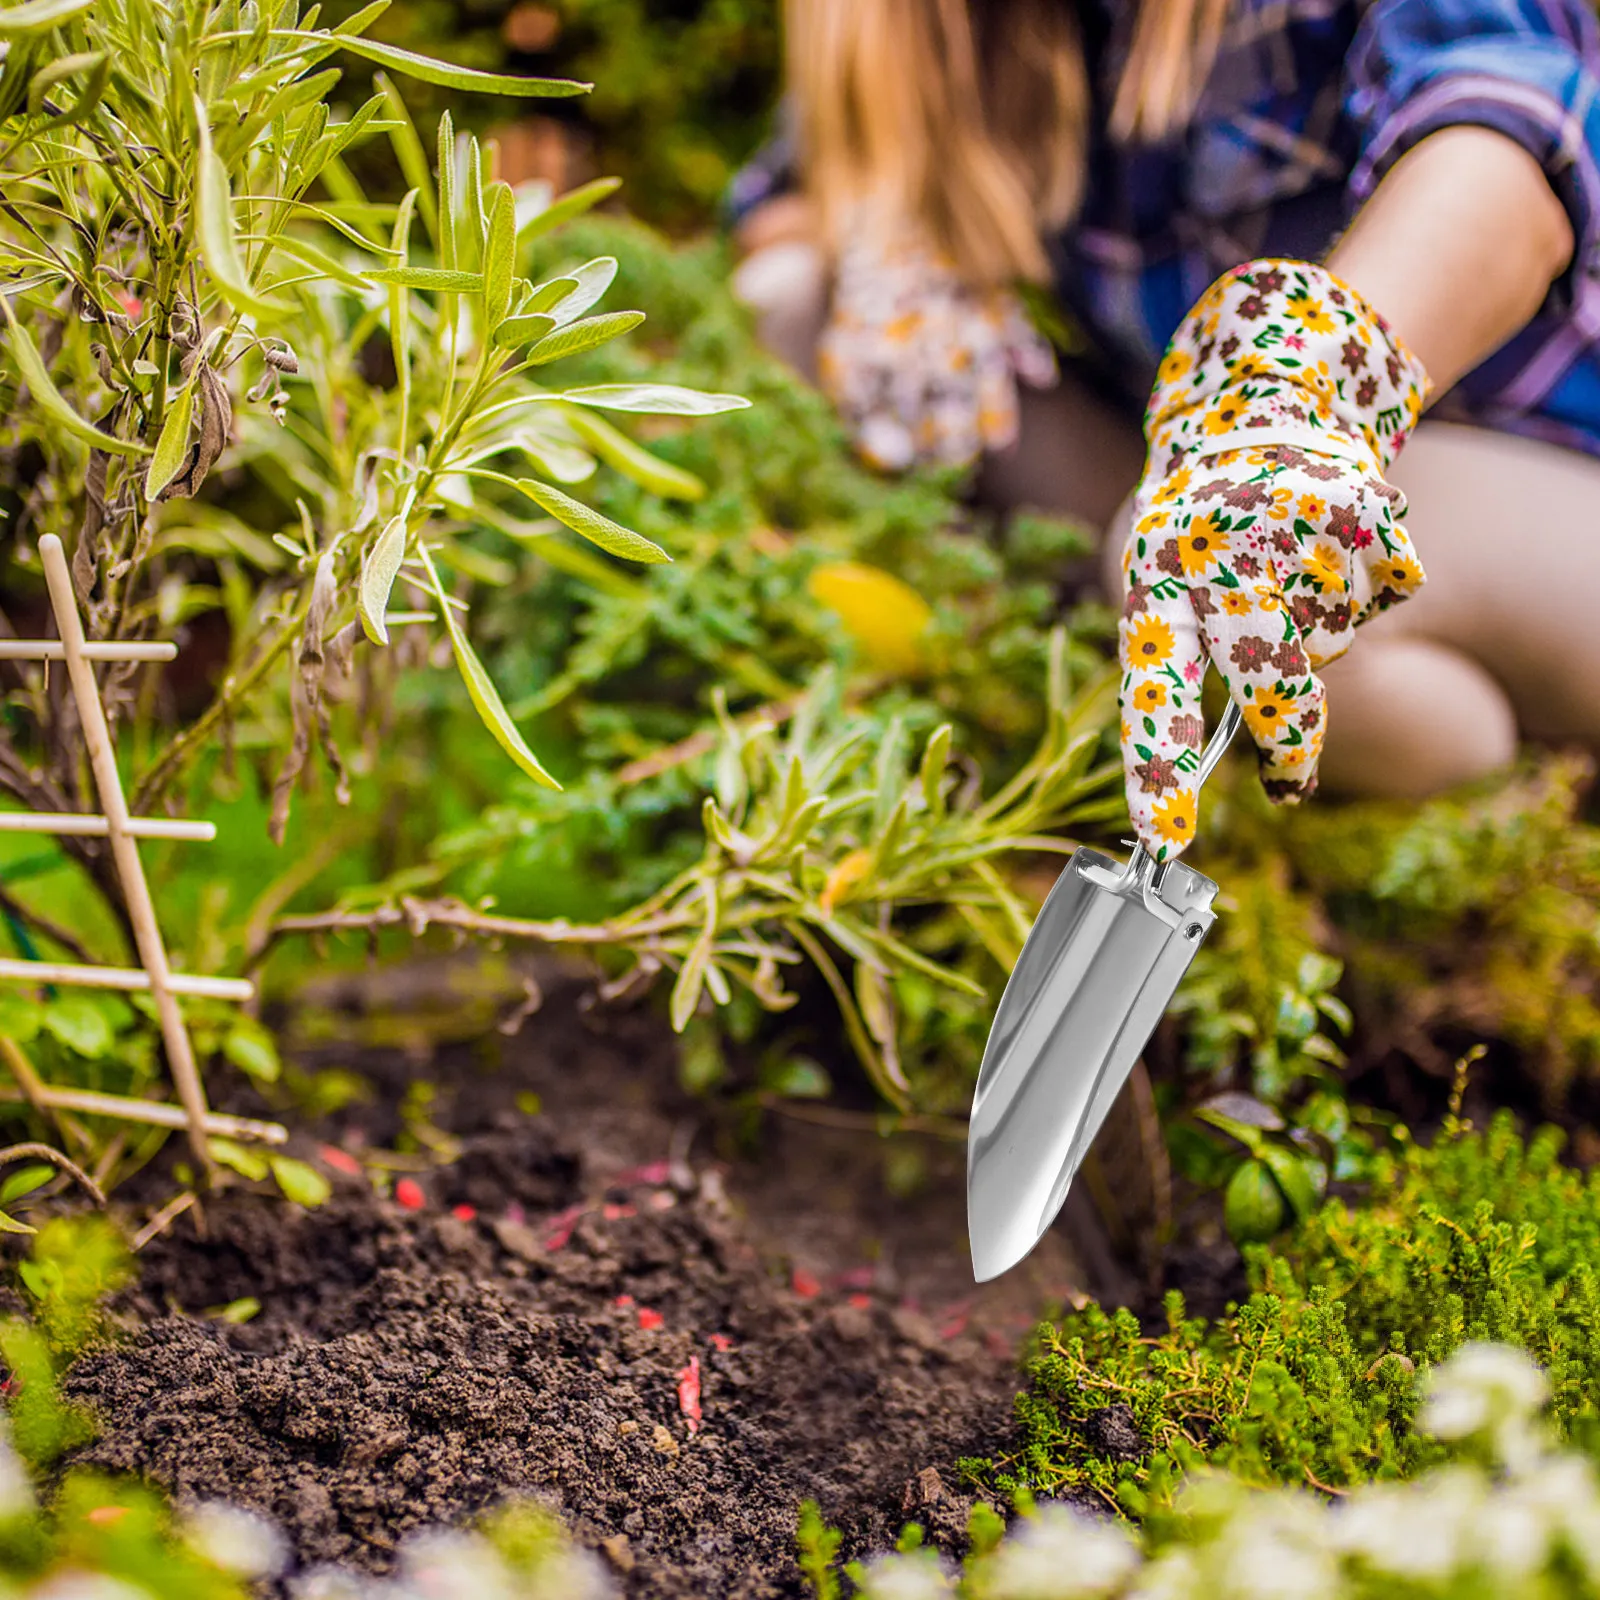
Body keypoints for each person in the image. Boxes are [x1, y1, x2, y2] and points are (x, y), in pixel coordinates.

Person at [726, 0, 1600, 862]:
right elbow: (790, 199)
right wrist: (891, 250)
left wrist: (1289, 397)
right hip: (1190, 473)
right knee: (795, 301)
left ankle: (1488, 818)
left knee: (1215, 557)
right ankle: (1120, 697)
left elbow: (1506, 151)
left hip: (1543, 485)